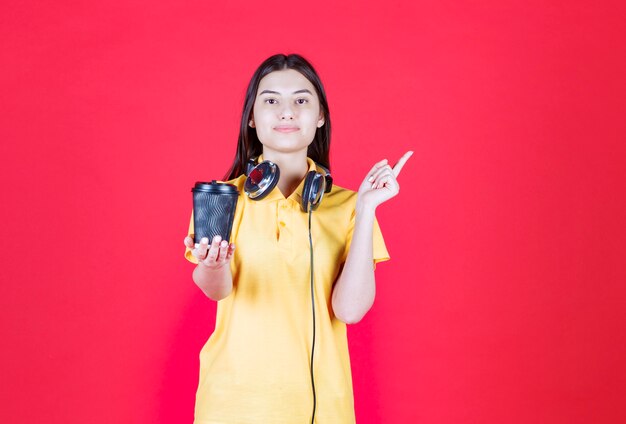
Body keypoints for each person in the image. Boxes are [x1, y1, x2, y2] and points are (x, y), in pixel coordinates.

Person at [183, 53, 412, 424]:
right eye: (271, 100)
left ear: (320, 116)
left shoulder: (349, 206)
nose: (287, 112)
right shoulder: (220, 198)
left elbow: (350, 311)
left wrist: (368, 209)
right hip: (232, 406)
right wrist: (214, 264)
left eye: (301, 100)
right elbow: (216, 290)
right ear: (252, 118)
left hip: (323, 409)